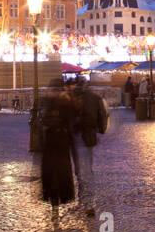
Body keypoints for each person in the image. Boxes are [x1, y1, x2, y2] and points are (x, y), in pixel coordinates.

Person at [39, 79, 77, 219]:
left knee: (53, 172)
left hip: (54, 142)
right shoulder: (64, 103)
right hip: (60, 142)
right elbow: (71, 122)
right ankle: (56, 198)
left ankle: (54, 199)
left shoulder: (51, 103)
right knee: (58, 172)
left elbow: (43, 121)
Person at [70, 78, 108, 216]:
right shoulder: (95, 97)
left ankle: (83, 200)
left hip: (76, 136)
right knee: (87, 170)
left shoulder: (72, 96)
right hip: (89, 136)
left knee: (79, 170)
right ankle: (88, 203)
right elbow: (103, 115)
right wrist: (100, 129)